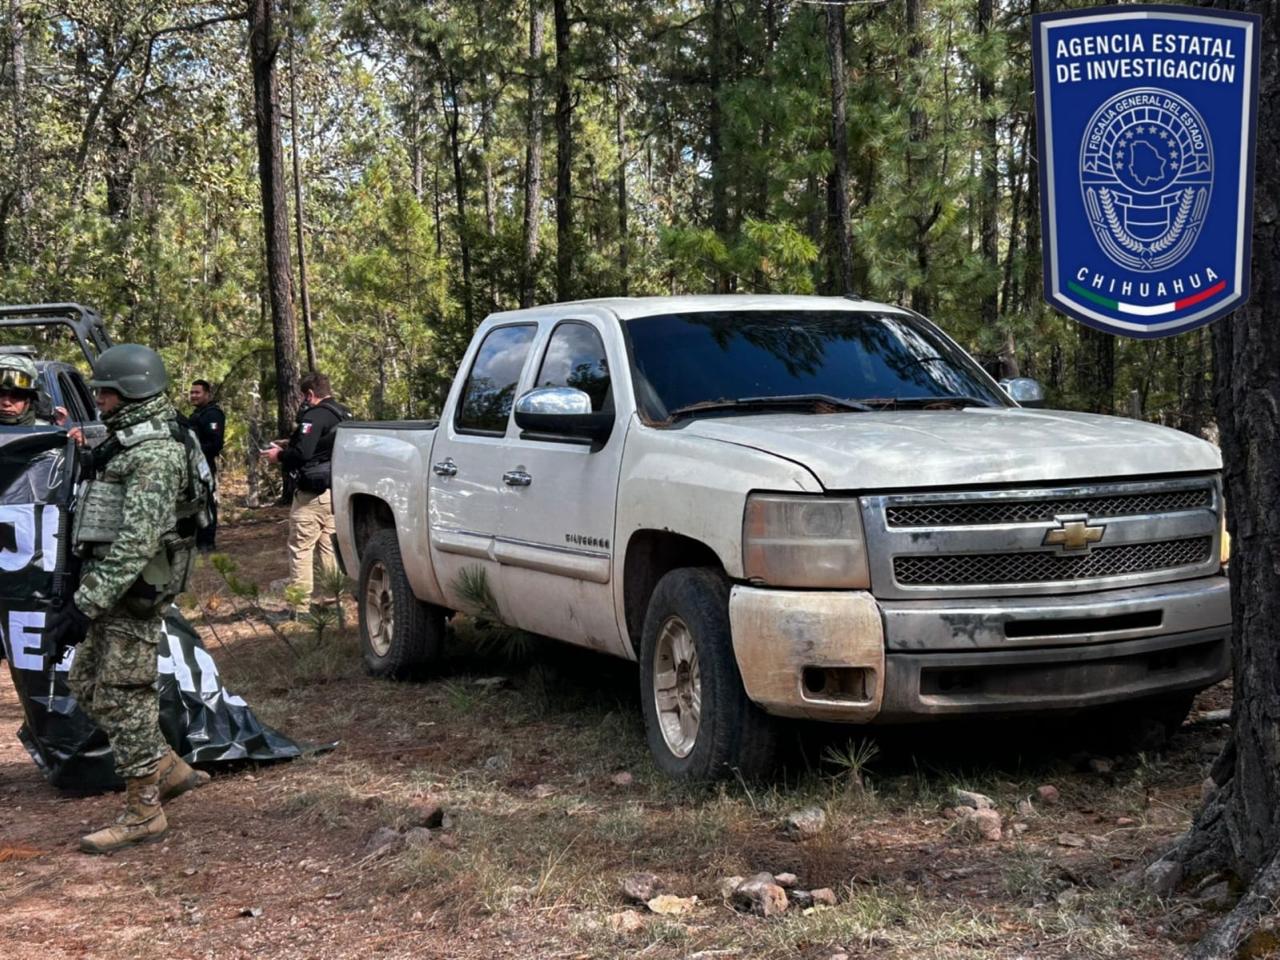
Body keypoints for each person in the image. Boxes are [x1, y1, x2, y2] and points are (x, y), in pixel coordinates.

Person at [43, 344, 210, 854]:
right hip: (112, 589)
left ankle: (144, 812)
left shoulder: (154, 454)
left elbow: (137, 544)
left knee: (123, 693)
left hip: (133, 590)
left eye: (106, 393)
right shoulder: (130, 438)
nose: (100, 401)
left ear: (130, 392)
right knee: (87, 683)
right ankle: (165, 766)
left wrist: (83, 605)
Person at [260, 372, 351, 602]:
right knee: (330, 549)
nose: (303, 401)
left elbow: (303, 454)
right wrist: (289, 443)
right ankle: (334, 602)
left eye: (304, 396)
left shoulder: (314, 416)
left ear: (310, 394)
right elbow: (322, 445)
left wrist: (279, 455)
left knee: (300, 548)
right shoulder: (343, 414)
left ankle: (299, 607)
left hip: (311, 496)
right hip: (336, 491)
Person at [185, 379, 225, 552]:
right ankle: (196, 539)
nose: (193, 395)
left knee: (206, 502)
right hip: (191, 466)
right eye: (192, 392)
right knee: (193, 502)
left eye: (197, 392)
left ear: (207, 394)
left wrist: (195, 452)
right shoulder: (196, 414)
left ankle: (207, 542)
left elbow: (215, 444)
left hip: (204, 466)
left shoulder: (213, 414)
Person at [0, 354, 66, 427]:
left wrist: (58, 429)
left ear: (28, 400)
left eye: (16, 395)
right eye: (1, 394)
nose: (6, 403)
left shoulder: (44, 430)